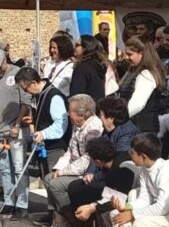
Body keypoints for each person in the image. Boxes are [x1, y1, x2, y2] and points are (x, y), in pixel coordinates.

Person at [41, 94, 103, 227]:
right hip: (75, 167)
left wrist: (63, 172)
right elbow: (70, 150)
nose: (68, 114)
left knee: (56, 185)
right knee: (48, 178)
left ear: (81, 115)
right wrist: (59, 168)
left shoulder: (93, 127)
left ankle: (72, 219)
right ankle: (60, 215)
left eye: (70, 111)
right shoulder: (77, 125)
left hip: (88, 171)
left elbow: (87, 158)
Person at [0, 47, 31, 219]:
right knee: (4, 169)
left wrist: (17, 124)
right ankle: (8, 201)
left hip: (17, 129)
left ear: (5, 60)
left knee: (19, 168)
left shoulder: (17, 73)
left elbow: (25, 102)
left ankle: (22, 204)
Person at [107, 133, 169, 227]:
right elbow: (145, 199)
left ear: (143, 156)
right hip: (156, 208)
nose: (130, 155)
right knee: (115, 215)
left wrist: (132, 214)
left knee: (139, 223)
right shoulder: (143, 170)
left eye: (132, 152)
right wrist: (126, 207)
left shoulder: (165, 172)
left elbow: (162, 208)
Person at [69, 137, 137, 227]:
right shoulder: (118, 159)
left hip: (133, 201)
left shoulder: (122, 170)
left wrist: (92, 208)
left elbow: (120, 198)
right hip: (124, 195)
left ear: (97, 162)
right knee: (76, 186)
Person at [16, 66, 69, 177]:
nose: (25, 92)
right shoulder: (37, 95)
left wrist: (43, 134)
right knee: (45, 179)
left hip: (55, 148)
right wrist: (35, 120)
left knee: (52, 181)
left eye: (25, 89)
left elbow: (61, 124)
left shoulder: (54, 96)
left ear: (33, 83)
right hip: (43, 147)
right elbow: (46, 114)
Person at [116, 37, 165, 133]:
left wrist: (118, 119)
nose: (126, 58)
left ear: (142, 54)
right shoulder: (132, 71)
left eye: (130, 54)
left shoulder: (146, 74)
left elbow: (137, 103)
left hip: (142, 129)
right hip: (134, 126)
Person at [70, 35, 108, 102]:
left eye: (77, 45)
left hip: (84, 107)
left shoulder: (81, 68)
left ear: (85, 48)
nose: (74, 48)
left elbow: (76, 97)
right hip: (97, 106)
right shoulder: (97, 66)